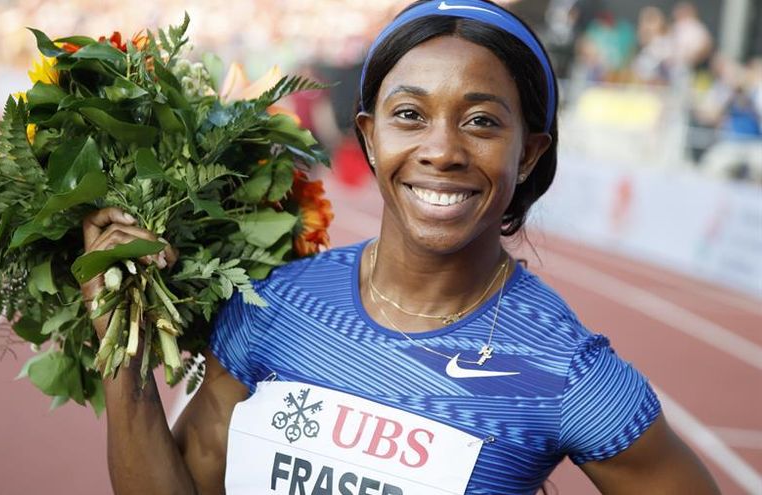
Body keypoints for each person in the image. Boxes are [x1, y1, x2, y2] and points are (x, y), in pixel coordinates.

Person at [80, 1, 720, 493]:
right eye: (409, 115)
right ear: (369, 135)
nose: (441, 150)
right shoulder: (275, 306)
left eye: (482, 122)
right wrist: (122, 356)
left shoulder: (565, 370)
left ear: (528, 153)